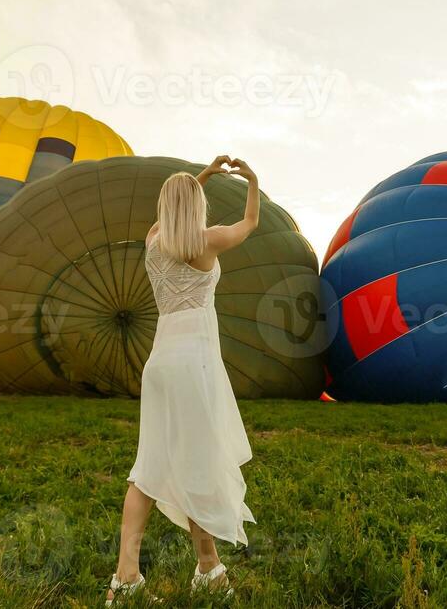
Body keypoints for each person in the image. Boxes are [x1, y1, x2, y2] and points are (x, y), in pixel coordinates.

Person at [107, 156, 260, 603]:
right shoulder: (206, 241)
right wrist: (250, 180)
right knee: (195, 463)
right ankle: (206, 568)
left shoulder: (154, 241)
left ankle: (132, 577)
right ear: (196, 205)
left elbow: (170, 211)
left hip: (160, 365)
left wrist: (201, 177)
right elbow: (250, 222)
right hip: (194, 364)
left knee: (150, 468)